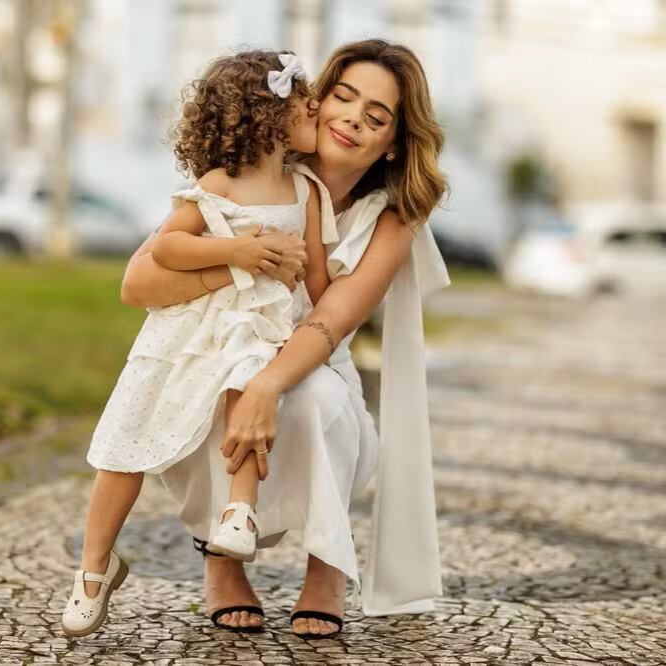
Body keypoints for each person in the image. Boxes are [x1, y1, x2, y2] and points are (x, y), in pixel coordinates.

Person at [121, 38, 451, 639]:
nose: (353, 118)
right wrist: (243, 261)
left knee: (311, 397)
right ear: (315, 102)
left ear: (395, 140)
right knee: (227, 380)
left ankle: (326, 568)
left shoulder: (393, 215)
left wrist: (269, 383)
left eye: (376, 116)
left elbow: (331, 318)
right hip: (230, 354)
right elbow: (140, 281)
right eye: (343, 97)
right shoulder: (261, 172)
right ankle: (221, 561)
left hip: (321, 377)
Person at [60, 49, 328, 638]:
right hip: (181, 332)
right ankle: (93, 569)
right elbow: (167, 251)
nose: (316, 106)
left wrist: (310, 291)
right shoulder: (216, 184)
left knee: (247, 378)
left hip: (254, 325)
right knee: (122, 441)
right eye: (304, 99)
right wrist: (237, 251)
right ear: (266, 115)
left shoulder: (304, 190)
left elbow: (316, 276)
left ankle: (239, 510)